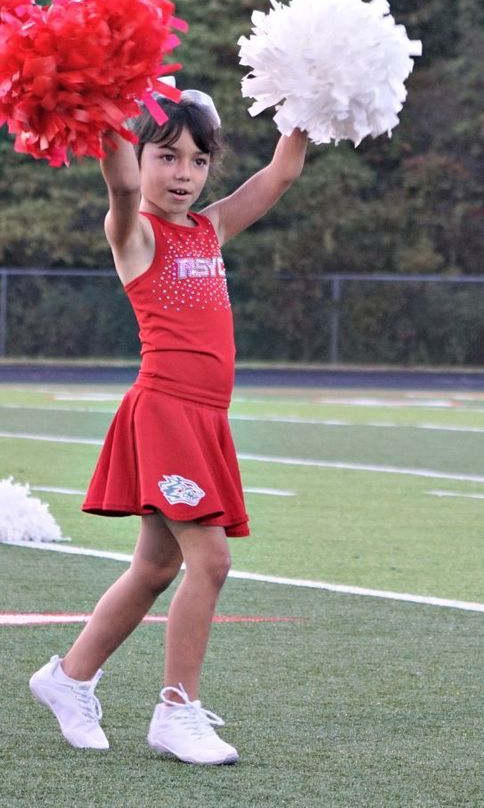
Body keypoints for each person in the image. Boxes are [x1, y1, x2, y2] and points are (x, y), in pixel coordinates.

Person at [29, 88, 308, 765]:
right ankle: (176, 711)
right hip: (166, 413)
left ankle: (68, 678)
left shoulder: (209, 228)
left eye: (198, 159)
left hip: (206, 419)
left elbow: (279, 175)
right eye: (167, 156)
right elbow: (123, 186)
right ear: (142, 156)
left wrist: (309, 96)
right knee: (210, 561)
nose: (183, 173)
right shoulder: (135, 232)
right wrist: (99, 110)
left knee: (156, 567)